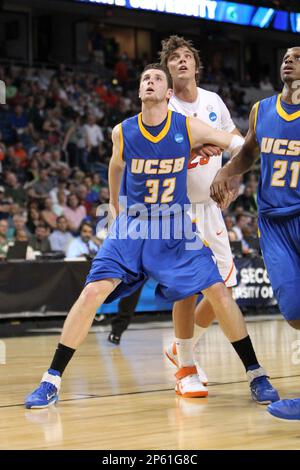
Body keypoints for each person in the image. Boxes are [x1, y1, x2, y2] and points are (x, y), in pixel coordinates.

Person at [25, 64, 278, 409]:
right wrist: (114, 207)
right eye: (145, 79)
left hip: (174, 225)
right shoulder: (122, 131)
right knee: (92, 292)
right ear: (139, 91)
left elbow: (232, 141)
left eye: (157, 78)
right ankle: (51, 379)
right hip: (133, 224)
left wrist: (243, 153)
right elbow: (116, 166)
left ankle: (256, 373)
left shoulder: (186, 126)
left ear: (169, 94)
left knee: (219, 290)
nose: (150, 82)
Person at [210, 47, 300, 420]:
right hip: (274, 223)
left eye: (298, 55)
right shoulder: (261, 109)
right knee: (294, 311)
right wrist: (226, 172)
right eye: (286, 56)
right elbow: (249, 151)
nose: (289, 59)